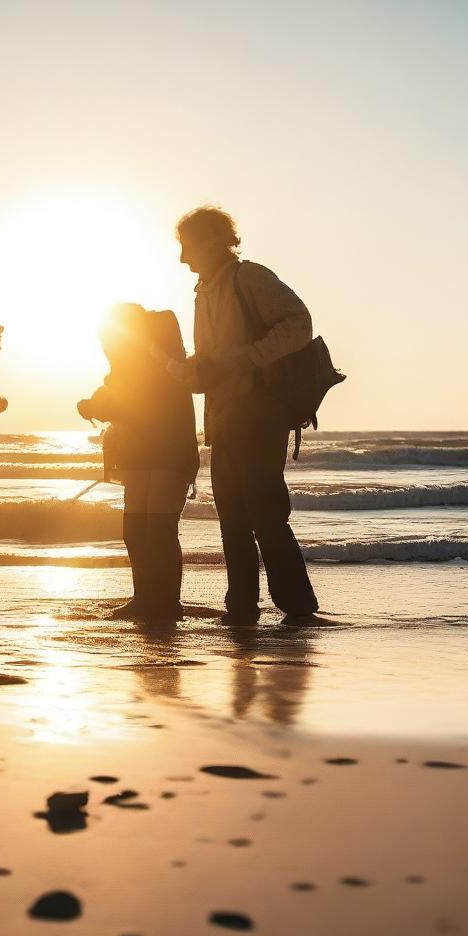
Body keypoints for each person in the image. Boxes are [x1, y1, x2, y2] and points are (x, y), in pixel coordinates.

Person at [168, 207, 319, 626]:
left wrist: (247, 360)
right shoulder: (204, 291)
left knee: (266, 514)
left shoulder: (248, 278)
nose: (182, 258)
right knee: (232, 515)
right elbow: (217, 363)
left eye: (187, 246)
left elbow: (299, 323)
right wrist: (191, 371)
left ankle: (297, 607)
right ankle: (241, 607)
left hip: (259, 415)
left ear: (213, 241)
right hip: (225, 418)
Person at [78, 303, 200, 621]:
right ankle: (146, 597)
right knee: (136, 530)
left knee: (158, 529)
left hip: (168, 454)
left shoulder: (157, 363)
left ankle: (167, 603)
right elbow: (118, 395)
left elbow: (135, 406)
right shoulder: (134, 364)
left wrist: (94, 407)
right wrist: (96, 404)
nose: (105, 348)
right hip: (143, 455)